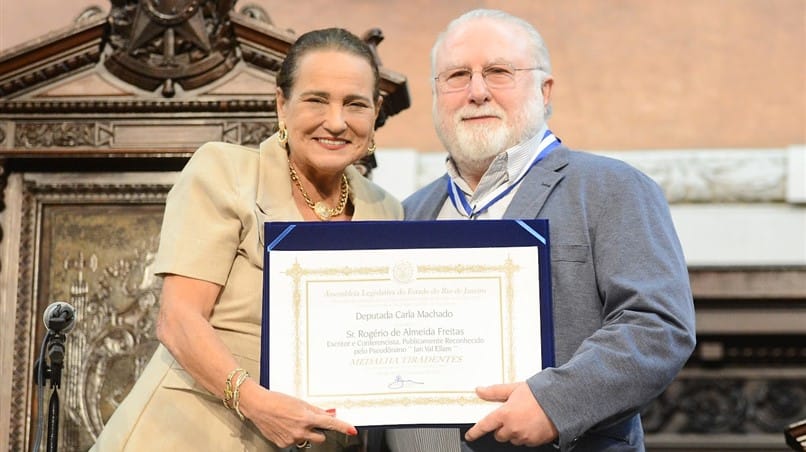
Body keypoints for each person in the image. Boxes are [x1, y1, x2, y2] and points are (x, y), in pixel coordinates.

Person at [382, 9, 697, 452]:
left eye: (499, 72)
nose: (477, 92)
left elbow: (658, 326)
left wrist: (555, 403)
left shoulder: (612, 189)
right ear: (436, 94)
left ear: (544, 90)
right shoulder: (409, 213)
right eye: (457, 75)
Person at [91, 27, 403, 451]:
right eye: (316, 100)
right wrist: (256, 403)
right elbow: (178, 319)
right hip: (188, 434)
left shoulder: (386, 209)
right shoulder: (224, 172)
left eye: (355, 104)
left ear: (376, 111)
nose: (336, 121)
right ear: (282, 104)